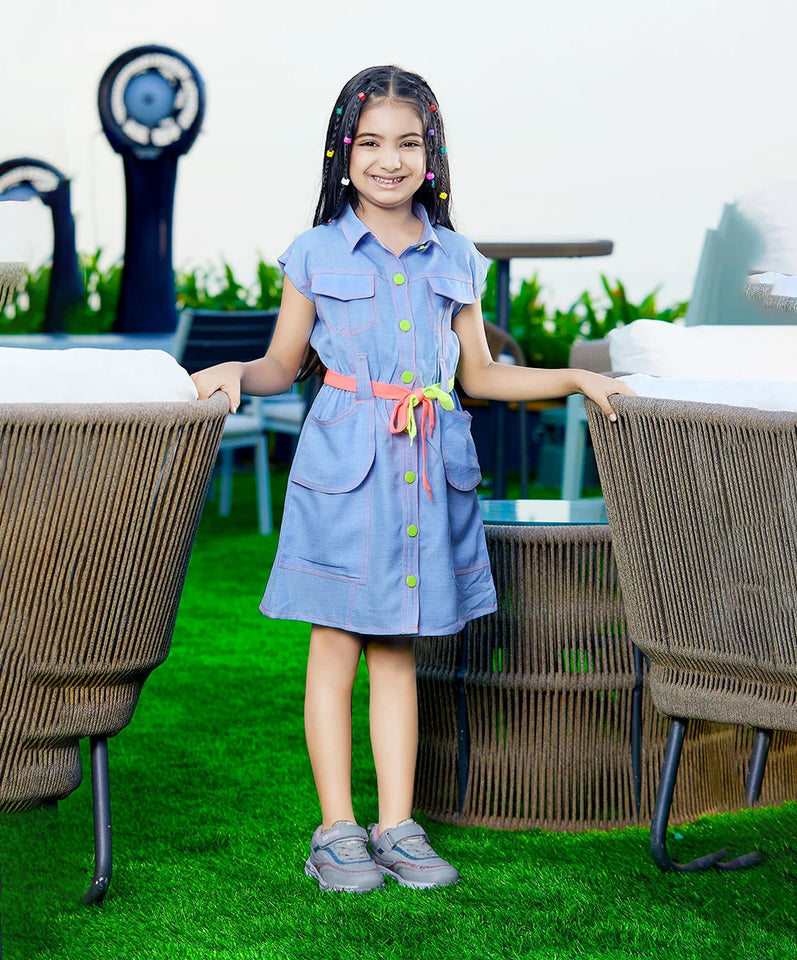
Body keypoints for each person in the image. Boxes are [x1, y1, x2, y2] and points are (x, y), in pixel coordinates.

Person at [192, 65, 634, 894]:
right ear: (342, 152)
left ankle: (397, 826)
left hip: (426, 473)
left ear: (431, 155)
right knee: (335, 648)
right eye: (370, 143)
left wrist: (577, 381)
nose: (388, 160)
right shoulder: (314, 252)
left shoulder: (456, 256)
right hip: (343, 470)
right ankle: (336, 831)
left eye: (408, 143)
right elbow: (284, 366)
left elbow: (481, 377)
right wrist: (232, 372)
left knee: (396, 652)